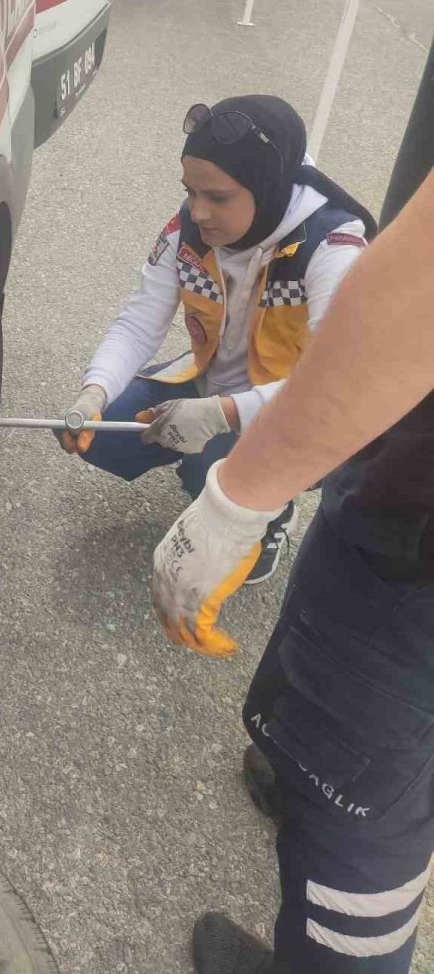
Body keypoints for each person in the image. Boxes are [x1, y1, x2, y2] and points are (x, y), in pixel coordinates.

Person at [153, 167, 434, 973]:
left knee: (359, 829)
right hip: (405, 486)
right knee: (370, 754)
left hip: (418, 547)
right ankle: (319, 776)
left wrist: (237, 501)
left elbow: (420, 292)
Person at [59, 94, 376, 585]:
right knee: (99, 432)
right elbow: (141, 321)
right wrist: (94, 390)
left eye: (218, 198)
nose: (199, 211)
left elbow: (339, 385)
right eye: (190, 191)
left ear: (266, 185)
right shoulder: (189, 226)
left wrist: (223, 415)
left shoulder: (333, 246)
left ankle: (271, 508)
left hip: (295, 411)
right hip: (209, 380)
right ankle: (208, 460)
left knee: (209, 473)